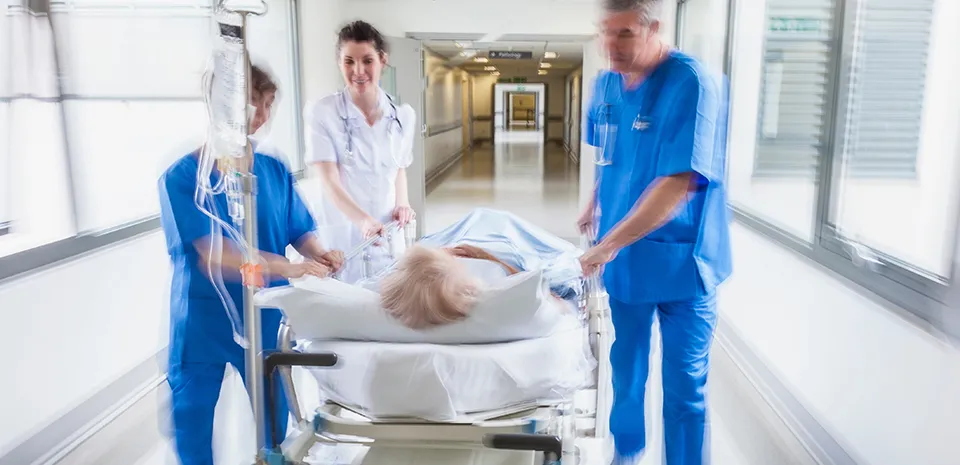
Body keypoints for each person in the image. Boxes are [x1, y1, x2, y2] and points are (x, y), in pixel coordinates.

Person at [158, 64, 345, 465]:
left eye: (268, 104)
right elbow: (214, 251)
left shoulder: (273, 169)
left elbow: (298, 226)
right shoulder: (184, 177)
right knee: (193, 418)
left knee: (273, 418)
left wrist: (317, 253)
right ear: (220, 105)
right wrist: (289, 267)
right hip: (203, 317)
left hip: (263, 313)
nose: (261, 115)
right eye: (252, 104)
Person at [577, 0, 732, 464]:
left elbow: (678, 182)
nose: (611, 46)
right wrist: (594, 201)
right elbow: (611, 154)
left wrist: (606, 244)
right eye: (605, 32)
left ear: (653, 28)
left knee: (685, 386)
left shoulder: (693, 84)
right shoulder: (607, 84)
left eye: (624, 34)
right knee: (627, 370)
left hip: (686, 263)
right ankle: (626, 453)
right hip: (627, 261)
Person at [304, 20, 417, 284]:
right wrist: (363, 220)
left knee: (388, 303)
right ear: (339, 63)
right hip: (344, 233)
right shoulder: (323, 112)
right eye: (349, 61)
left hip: (388, 230)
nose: (358, 71)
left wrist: (403, 203)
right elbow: (329, 181)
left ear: (382, 60)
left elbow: (398, 167)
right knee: (346, 309)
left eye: (367, 60)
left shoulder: (402, 116)